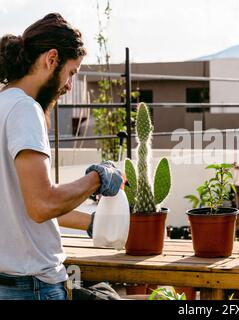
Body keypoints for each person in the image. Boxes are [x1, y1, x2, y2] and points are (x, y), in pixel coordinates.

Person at [0, 13, 123, 300]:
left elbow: (23, 201)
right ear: (51, 59)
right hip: (32, 287)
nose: (68, 85)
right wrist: (98, 178)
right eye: (71, 73)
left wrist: (90, 223)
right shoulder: (25, 110)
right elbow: (42, 204)